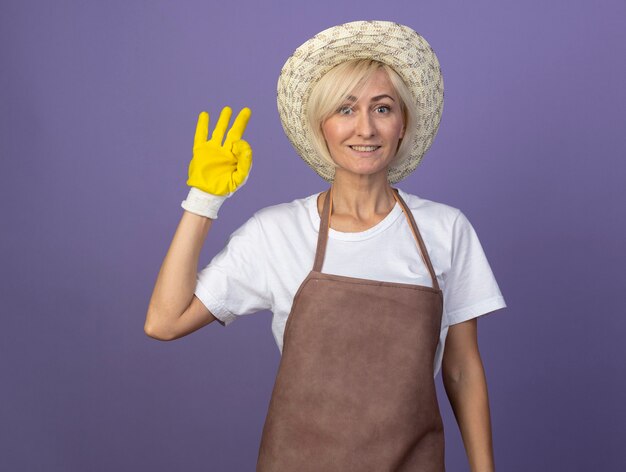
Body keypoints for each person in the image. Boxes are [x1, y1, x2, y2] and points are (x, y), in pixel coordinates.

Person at [145, 20, 506, 472]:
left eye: (382, 108)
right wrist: (203, 201)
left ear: (402, 124)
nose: (365, 129)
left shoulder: (446, 229)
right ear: (322, 126)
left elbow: (462, 369)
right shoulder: (275, 232)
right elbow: (164, 321)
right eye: (345, 109)